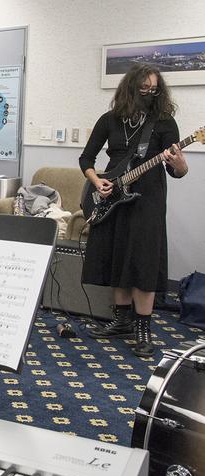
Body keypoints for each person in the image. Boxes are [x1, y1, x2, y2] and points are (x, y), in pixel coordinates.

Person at [80, 63, 188, 357]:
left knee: (143, 259)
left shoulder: (164, 122)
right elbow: (86, 159)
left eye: (154, 90)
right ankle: (121, 319)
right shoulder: (109, 120)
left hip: (149, 199)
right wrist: (97, 181)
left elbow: (178, 170)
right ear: (130, 89)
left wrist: (178, 163)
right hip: (114, 195)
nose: (149, 94)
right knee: (118, 254)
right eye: (144, 89)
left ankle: (143, 327)